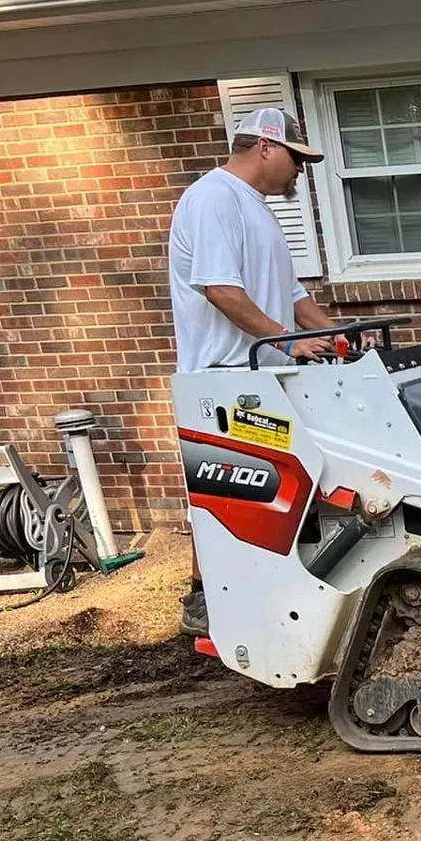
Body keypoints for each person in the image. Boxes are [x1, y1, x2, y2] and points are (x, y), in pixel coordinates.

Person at [170, 106, 339, 634]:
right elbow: (219, 288)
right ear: (266, 146)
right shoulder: (212, 198)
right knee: (226, 488)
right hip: (222, 377)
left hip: (262, 373)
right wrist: (288, 346)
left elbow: (291, 296)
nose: (300, 170)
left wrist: (337, 338)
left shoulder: (257, 208)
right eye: (297, 158)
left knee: (282, 489)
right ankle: (203, 599)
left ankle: (278, 589)